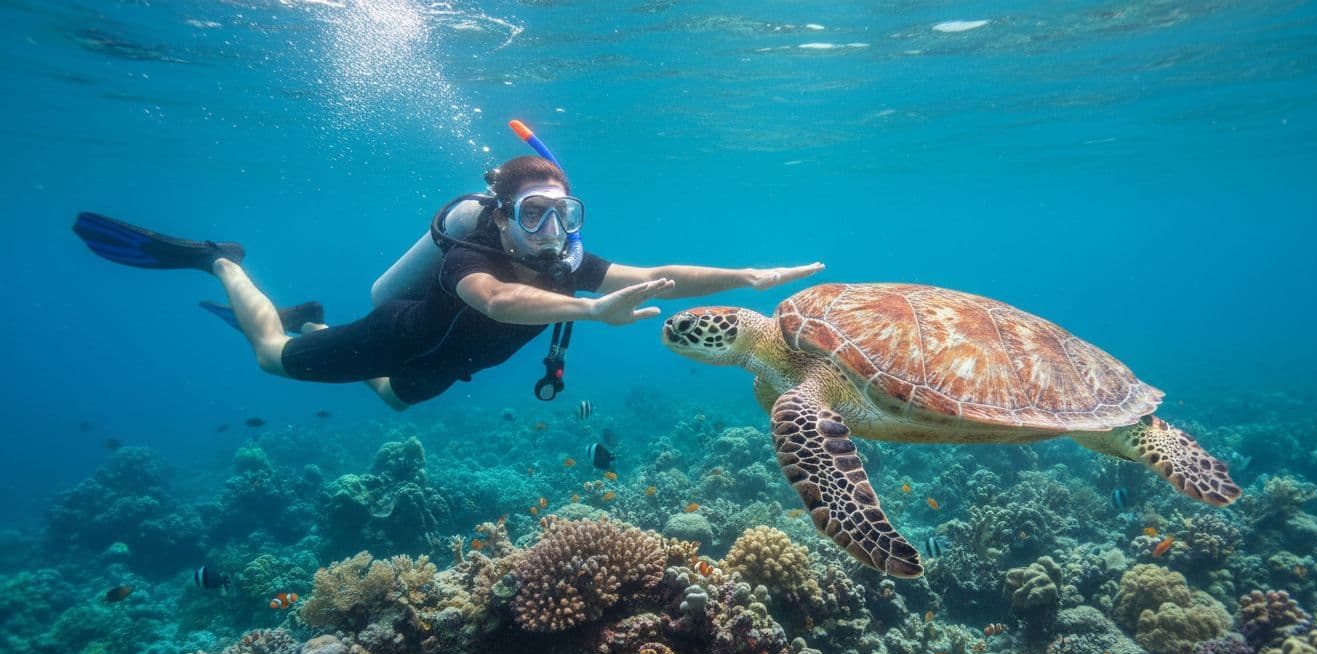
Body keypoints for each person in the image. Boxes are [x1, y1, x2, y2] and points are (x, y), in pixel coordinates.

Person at [72, 156, 823, 410]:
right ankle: (220, 261)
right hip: (401, 335)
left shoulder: (562, 258)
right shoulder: (474, 261)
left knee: (396, 401)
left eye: (565, 217)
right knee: (268, 356)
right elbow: (499, 302)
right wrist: (591, 311)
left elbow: (663, 273)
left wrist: (747, 274)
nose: (552, 233)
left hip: (443, 368)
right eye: (534, 216)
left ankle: (313, 324)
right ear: (502, 215)